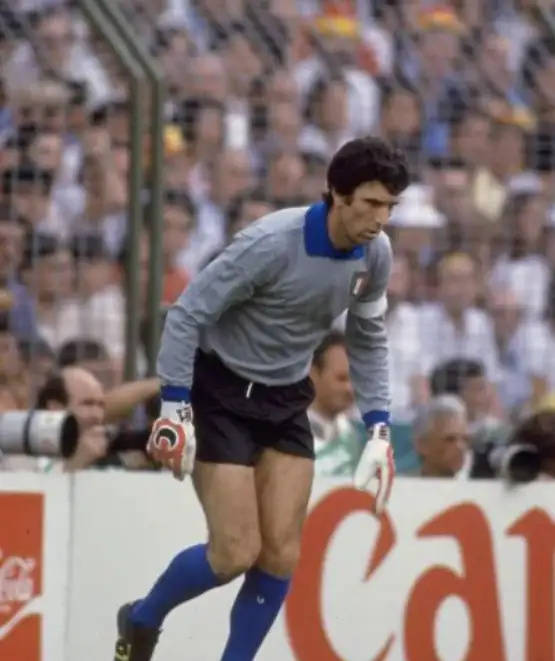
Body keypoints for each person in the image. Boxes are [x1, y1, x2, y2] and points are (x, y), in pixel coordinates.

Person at [113, 136, 409, 661]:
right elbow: (186, 314)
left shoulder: (376, 253)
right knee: (233, 553)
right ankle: (141, 618)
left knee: (280, 555)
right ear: (337, 194)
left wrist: (379, 428)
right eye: (371, 203)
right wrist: (175, 408)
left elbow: (367, 337)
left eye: (390, 205)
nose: (380, 218)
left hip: (286, 399)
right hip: (221, 392)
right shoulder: (271, 243)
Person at [308, 331, 366, 476]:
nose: (350, 388)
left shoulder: (351, 437)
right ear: (313, 374)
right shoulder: (285, 435)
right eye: (341, 378)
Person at [412, 394, 470, 478]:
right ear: (422, 444)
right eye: (450, 439)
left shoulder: (478, 485)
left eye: (465, 439)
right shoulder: (401, 485)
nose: (460, 447)